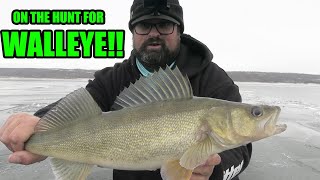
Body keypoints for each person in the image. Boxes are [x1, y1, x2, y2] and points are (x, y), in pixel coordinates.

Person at [0, 0, 252, 179]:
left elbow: (242, 151)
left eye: (164, 25)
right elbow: (80, 105)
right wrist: (37, 123)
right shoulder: (115, 78)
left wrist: (214, 173)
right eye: (144, 26)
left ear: (179, 31)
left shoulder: (214, 80)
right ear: (132, 32)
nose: (154, 34)